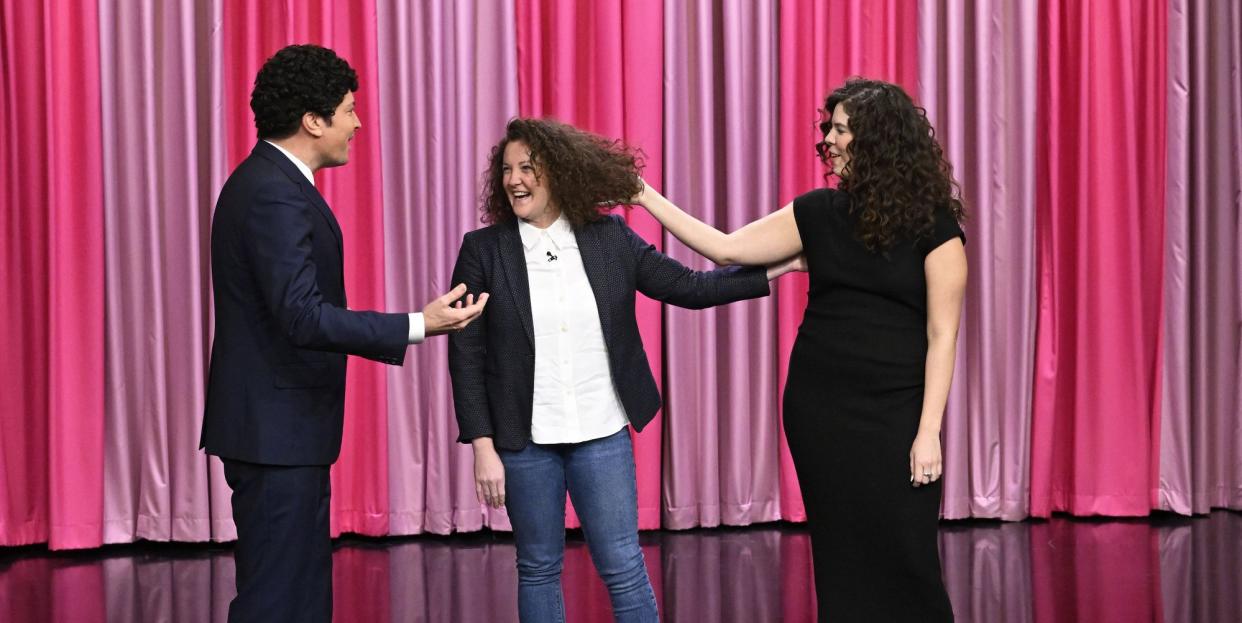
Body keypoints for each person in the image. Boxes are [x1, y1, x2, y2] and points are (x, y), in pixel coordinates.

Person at [632, 78, 967, 621]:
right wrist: (643, 195)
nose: (828, 140)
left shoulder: (936, 228)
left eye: (840, 129)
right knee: (840, 556)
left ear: (877, 138)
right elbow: (725, 248)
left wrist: (928, 431)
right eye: (828, 128)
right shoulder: (816, 213)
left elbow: (942, 335)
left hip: (897, 413)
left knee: (908, 556)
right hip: (820, 407)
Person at [447, 118, 802, 623]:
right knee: (538, 568)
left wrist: (781, 266)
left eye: (529, 167)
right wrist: (482, 445)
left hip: (601, 432)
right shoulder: (483, 250)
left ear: (561, 172)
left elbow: (691, 288)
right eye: (506, 169)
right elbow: (465, 353)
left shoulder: (609, 237)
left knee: (623, 566)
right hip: (521, 440)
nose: (514, 179)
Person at [200, 44, 488, 623]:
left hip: (282, 434)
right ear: (314, 120)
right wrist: (418, 324)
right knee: (277, 599)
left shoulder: (273, 183)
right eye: (349, 110)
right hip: (274, 436)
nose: (357, 124)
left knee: (298, 595)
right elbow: (302, 316)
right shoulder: (275, 192)